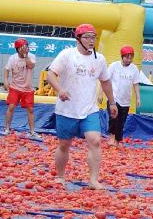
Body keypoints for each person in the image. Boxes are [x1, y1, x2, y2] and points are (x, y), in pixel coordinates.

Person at [46, 24, 116, 189]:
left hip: (89, 109)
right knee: (64, 144)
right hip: (67, 109)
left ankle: (93, 180)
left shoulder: (99, 59)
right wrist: (60, 89)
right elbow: (51, 74)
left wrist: (112, 102)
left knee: (95, 141)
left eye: (94, 37)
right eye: (87, 37)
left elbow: (105, 81)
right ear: (78, 39)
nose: (92, 41)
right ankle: (61, 177)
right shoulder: (67, 55)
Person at [106, 46, 141, 146]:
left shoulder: (134, 69)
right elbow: (106, 80)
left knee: (122, 121)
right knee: (113, 118)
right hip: (114, 98)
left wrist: (138, 97)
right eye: (127, 57)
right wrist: (101, 94)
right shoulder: (114, 66)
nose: (129, 60)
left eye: (131, 57)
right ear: (122, 57)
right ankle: (111, 138)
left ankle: (117, 140)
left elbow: (136, 84)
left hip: (126, 100)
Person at [3, 39, 38, 137]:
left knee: (30, 109)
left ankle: (32, 131)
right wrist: (6, 80)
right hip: (15, 87)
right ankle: (6, 129)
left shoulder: (31, 56)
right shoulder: (12, 58)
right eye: (23, 47)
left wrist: (26, 56)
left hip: (28, 88)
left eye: (27, 46)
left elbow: (31, 66)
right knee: (11, 107)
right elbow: (6, 69)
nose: (25, 48)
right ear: (18, 49)